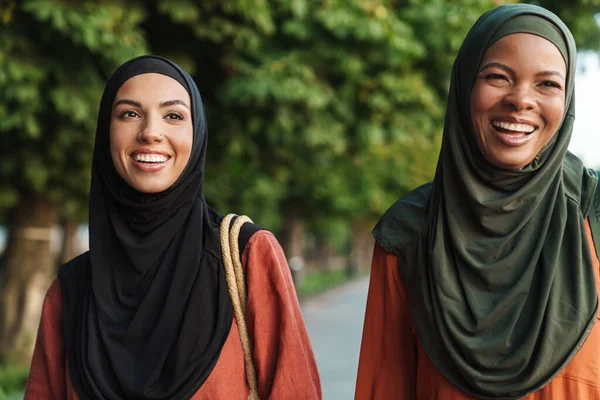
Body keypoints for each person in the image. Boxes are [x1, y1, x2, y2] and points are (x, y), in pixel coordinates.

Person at [24, 55, 321, 399]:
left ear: (197, 135)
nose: (150, 132)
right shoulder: (70, 291)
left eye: (174, 116)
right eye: (129, 114)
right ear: (107, 131)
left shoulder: (246, 256)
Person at [356, 4, 600, 399]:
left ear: (568, 98)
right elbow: (385, 387)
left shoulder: (593, 213)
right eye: (497, 77)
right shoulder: (410, 232)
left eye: (547, 84)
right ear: (466, 84)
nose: (521, 100)